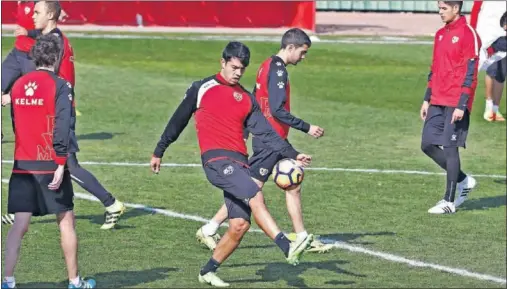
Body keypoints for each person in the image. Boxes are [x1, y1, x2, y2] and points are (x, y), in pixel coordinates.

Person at [150, 41, 314, 287]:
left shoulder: (247, 99)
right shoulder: (202, 88)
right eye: (234, 67)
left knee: (239, 225)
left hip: (240, 164)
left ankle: (207, 272)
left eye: (242, 69)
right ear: (223, 63)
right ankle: (287, 246)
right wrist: (160, 149)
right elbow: (178, 120)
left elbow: (267, 134)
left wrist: (293, 153)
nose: (238, 72)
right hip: (216, 161)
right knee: (256, 196)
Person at [196, 28, 332, 254]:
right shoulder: (278, 71)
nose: (303, 57)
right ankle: (210, 228)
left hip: (270, 138)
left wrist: (247, 126)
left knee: (293, 184)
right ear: (290, 47)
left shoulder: (266, 65)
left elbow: (253, 98)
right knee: (252, 188)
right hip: (271, 140)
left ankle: (302, 236)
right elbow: (277, 110)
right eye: (303, 52)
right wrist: (308, 127)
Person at [1, 1, 126, 230]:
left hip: (57, 114)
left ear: (50, 15)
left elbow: (53, 83)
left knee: (69, 165)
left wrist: (15, 96)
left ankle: (111, 203)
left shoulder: (56, 43)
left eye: (37, 12)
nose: (33, 16)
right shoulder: (49, 39)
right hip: (48, 113)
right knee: (35, 161)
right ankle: (21, 211)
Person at [1, 34, 96, 289]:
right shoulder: (61, 85)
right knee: (66, 221)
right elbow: (62, 126)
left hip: (22, 164)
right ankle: (75, 282)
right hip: (49, 164)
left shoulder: (18, 86)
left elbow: (16, 124)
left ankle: (7, 281)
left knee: (19, 225)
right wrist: (61, 162)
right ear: (56, 57)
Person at [420, 1, 480, 214]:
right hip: (437, 98)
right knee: (427, 144)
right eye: (439, 8)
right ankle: (464, 180)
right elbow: (434, 67)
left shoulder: (468, 33)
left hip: (456, 101)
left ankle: (449, 201)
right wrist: (427, 98)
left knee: (450, 146)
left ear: (456, 8)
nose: (440, 12)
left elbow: (472, 72)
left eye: (444, 8)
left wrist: (462, 104)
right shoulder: (440, 34)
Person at [470, 1, 506, 122]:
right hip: (487, 33)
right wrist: (473, 31)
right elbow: (476, 7)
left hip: (503, 31)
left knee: (502, 71)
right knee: (488, 68)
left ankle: (495, 110)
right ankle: (488, 107)